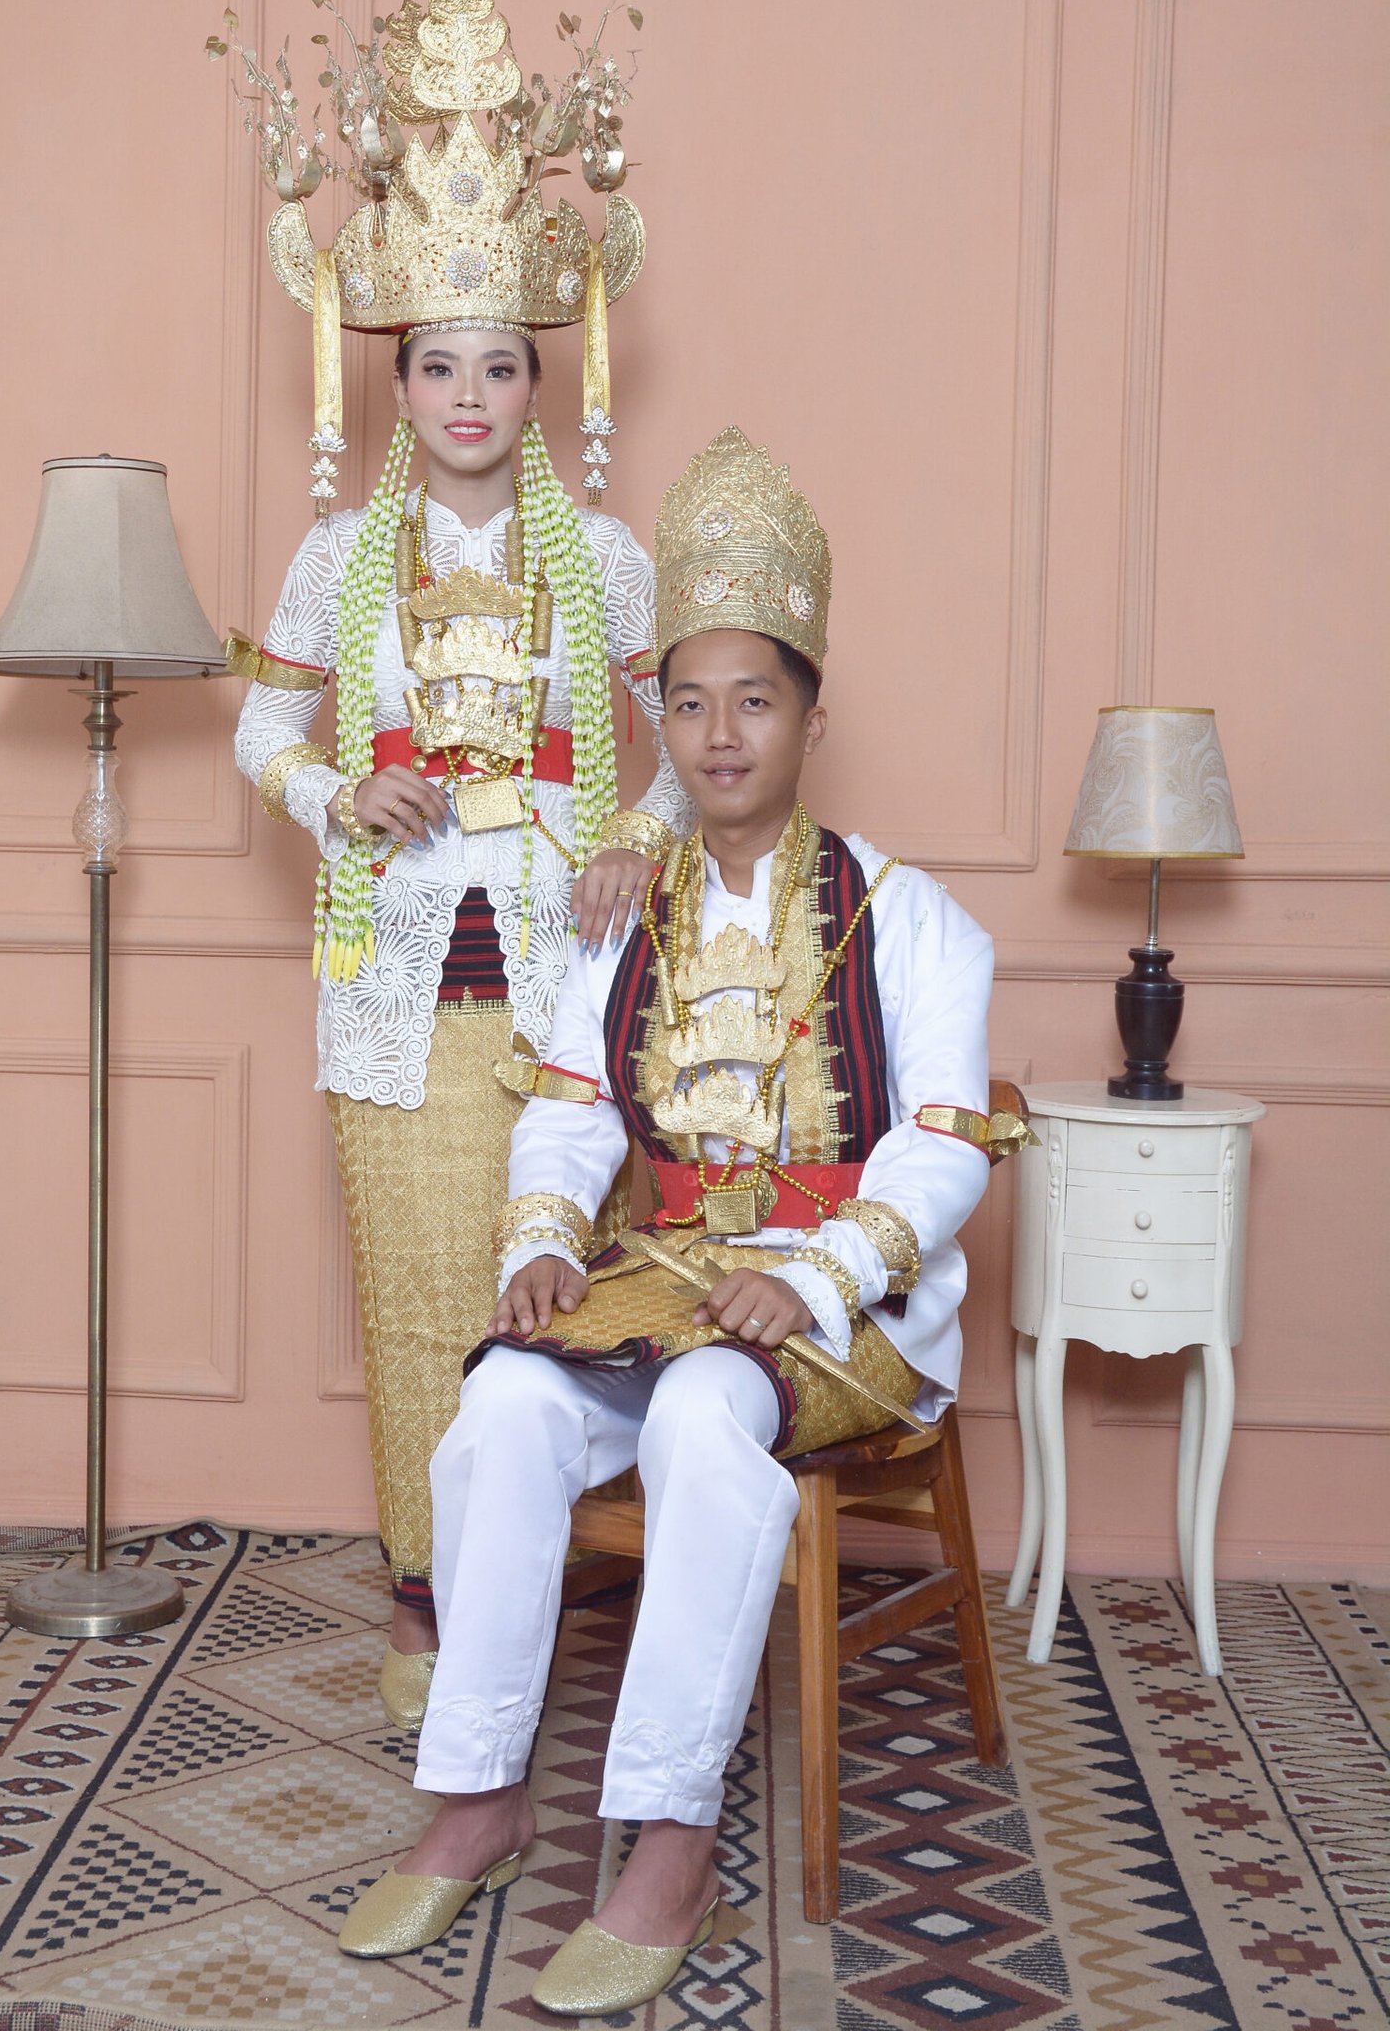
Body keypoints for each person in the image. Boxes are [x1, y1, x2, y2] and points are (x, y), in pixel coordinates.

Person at [336, 427, 1004, 2015]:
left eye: (753, 701)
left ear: (813, 716)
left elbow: (944, 1155)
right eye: (689, 704)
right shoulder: (622, 916)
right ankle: (479, 1797)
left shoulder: (915, 920)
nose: (718, 735)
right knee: (503, 1404)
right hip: (665, 1276)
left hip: (847, 1310)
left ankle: (672, 1841)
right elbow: (573, 1109)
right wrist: (540, 1242)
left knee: (707, 1410)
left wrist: (817, 1275)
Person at [228, 0, 690, 1730]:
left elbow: (697, 751)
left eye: (501, 364)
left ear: (539, 380)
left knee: (571, 1295)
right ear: (397, 378)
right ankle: (431, 1599)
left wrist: (632, 837)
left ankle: (574, 1591)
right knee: (425, 1305)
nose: (470, 393)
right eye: (438, 363)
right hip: (400, 989)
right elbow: (264, 730)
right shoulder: (333, 558)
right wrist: (334, 796)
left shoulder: (612, 558)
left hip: (574, 989)